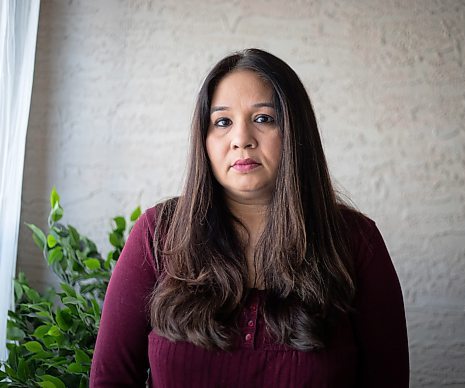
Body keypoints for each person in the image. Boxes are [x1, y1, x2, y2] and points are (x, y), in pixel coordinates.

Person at [90, 48, 409, 387]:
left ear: (295, 131)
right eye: (222, 122)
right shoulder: (159, 234)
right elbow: (111, 378)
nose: (241, 140)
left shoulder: (355, 241)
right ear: (204, 139)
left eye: (263, 119)